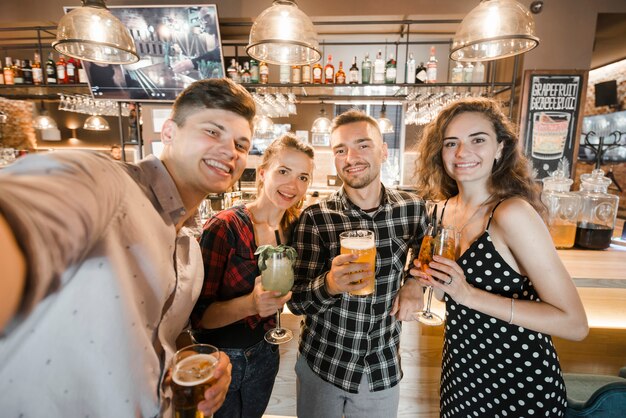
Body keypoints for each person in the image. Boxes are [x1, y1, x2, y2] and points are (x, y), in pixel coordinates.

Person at [0, 78, 256, 417]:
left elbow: (167, 335)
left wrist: (198, 361)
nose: (230, 151)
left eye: (241, 144)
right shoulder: (105, 182)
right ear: (169, 132)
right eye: (212, 131)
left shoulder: (190, 251)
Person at [411, 97, 589, 417]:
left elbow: (575, 324)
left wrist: (468, 294)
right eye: (452, 143)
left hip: (518, 381)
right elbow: (444, 295)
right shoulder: (441, 210)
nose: (462, 153)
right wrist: (427, 284)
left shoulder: (511, 213)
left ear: (500, 149)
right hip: (461, 375)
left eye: (478, 140)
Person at [287, 110, 427, 418]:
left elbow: (426, 253)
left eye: (363, 145)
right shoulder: (316, 217)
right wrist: (330, 284)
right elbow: (296, 302)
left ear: (384, 150)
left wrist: (416, 283)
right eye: (340, 150)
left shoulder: (413, 209)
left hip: (381, 368)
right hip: (324, 364)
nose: (351, 157)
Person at [190, 133, 315, 418]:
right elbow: (198, 318)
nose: (293, 185)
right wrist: (250, 304)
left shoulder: (295, 227)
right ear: (262, 173)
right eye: (283, 171)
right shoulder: (225, 227)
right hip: (223, 358)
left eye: (303, 177)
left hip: (267, 353)